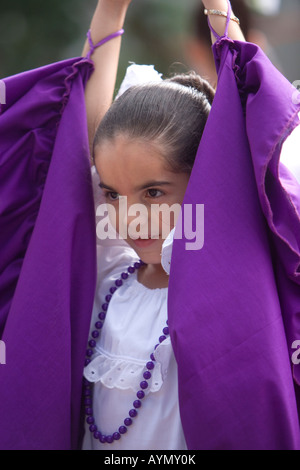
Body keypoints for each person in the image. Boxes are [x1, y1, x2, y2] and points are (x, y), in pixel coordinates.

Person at [0, 0, 299, 451]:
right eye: (112, 194)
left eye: (154, 193)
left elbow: (250, 126)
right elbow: (75, 144)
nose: (129, 216)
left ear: (207, 187)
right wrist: (111, 9)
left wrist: (217, 6)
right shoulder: (104, 275)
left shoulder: (224, 271)